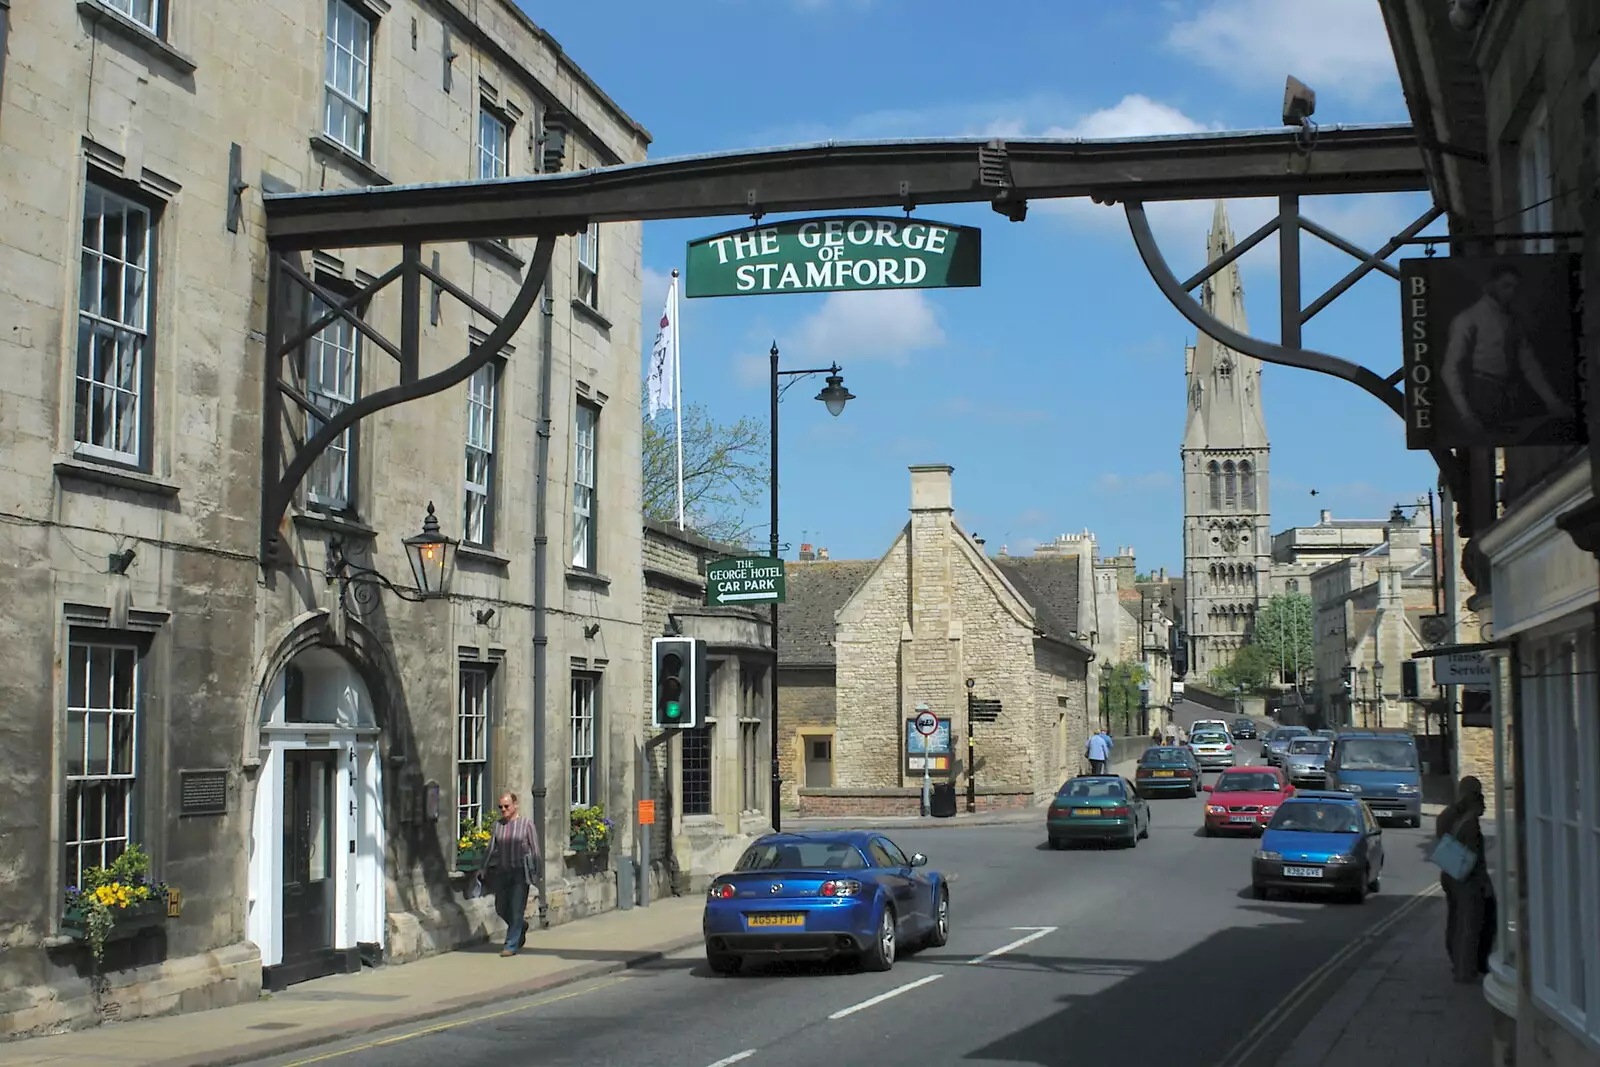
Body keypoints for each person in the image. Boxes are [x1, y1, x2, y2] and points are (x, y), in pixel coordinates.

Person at [1441, 263, 1574, 438]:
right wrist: (1466, 414)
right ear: (1490, 285)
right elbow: (1450, 368)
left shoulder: (1514, 321)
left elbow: (1529, 365)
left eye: (1514, 287)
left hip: (1510, 394)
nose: (1510, 292)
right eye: (1505, 286)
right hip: (1480, 394)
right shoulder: (1468, 319)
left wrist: (1552, 401)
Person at [1435, 776, 1495, 981]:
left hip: (1449, 874)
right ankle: (1465, 971)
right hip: (1466, 879)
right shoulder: (1469, 822)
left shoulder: (1448, 814)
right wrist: (1484, 882)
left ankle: (1458, 964)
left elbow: (1441, 839)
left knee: (1455, 922)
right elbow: (1473, 856)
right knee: (1470, 926)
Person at [480, 792, 541, 957]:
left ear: (515, 805)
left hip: (520, 873)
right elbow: (491, 847)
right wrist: (483, 867)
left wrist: (537, 873)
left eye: (506, 806)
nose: (503, 810)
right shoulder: (498, 825)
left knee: (516, 909)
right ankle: (520, 926)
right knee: (501, 907)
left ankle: (510, 945)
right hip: (502, 871)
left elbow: (535, 850)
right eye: (501, 807)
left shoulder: (526, 824)